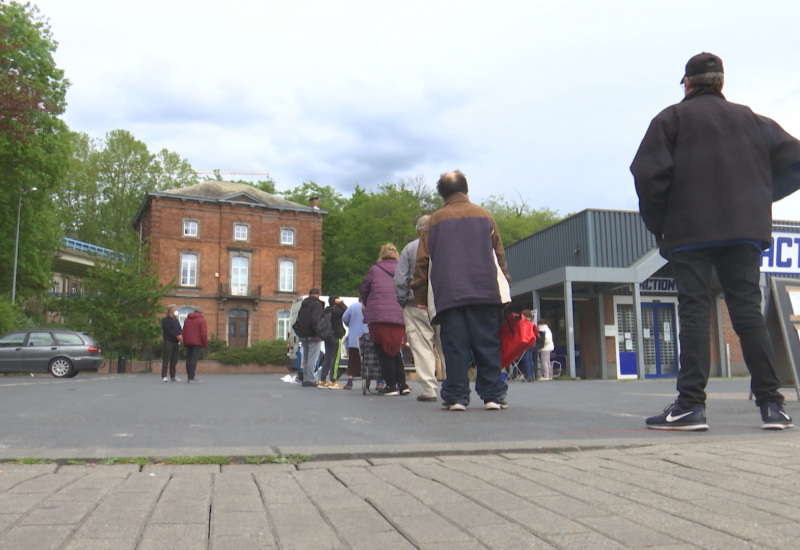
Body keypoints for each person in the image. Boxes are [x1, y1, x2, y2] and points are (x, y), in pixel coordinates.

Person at [631, 52, 800, 431]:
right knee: (747, 313)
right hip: (744, 232)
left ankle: (690, 406)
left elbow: (646, 173)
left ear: (687, 84)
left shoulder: (670, 119)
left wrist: (661, 223)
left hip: (690, 233)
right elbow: (796, 160)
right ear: (721, 82)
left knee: (693, 311)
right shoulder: (753, 120)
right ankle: (773, 406)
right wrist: (760, 197)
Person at [411, 170, 511, 411]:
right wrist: (505, 283)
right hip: (485, 290)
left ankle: (456, 396)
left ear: (442, 194)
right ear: (465, 190)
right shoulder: (484, 215)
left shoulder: (434, 220)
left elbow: (422, 260)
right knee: (487, 342)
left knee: (455, 344)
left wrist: (421, 295)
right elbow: (498, 254)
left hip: (450, 292)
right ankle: (493, 396)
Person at [394, 215, 442, 402]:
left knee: (422, 348)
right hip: (443, 303)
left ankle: (429, 390)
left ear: (417, 230)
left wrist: (403, 298)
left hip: (415, 304)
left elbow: (400, 278)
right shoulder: (446, 245)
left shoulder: (410, 248)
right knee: (446, 345)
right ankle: (458, 387)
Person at [360, 243, 410, 396]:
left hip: (379, 316)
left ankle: (391, 386)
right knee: (395, 350)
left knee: (383, 351)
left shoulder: (375, 269)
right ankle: (403, 384)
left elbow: (364, 289)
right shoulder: (403, 268)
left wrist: (369, 304)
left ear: (381, 254)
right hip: (399, 314)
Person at [293, 289, 325, 388]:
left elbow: (298, 320)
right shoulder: (317, 304)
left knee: (306, 359)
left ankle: (305, 379)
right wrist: (318, 333)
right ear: (318, 295)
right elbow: (315, 320)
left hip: (303, 335)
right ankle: (310, 379)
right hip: (313, 335)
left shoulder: (303, 305)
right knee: (312, 359)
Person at [318, 295, 347, 389]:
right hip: (336, 335)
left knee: (327, 357)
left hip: (327, 336)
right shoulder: (337, 310)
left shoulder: (326, 310)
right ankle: (332, 381)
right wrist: (341, 303)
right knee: (335, 358)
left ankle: (322, 380)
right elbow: (346, 311)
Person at [341, 297, 368, 390]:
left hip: (354, 337)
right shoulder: (371, 306)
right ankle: (379, 383)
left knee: (353, 360)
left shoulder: (353, 306)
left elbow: (345, 317)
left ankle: (349, 381)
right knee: (370, 360)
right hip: (368, 336)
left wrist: (351, 325)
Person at [181, 307, 207, 383]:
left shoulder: (187, 319)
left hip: (188, 342)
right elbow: (203, 333)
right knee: (194, 360)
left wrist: (185, 343)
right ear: (201, 312)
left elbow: (184, 332)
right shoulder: (201, 320)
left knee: (188, 359)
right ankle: (192, 378)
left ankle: (189, 376)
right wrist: (205, 344)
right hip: (197, 342)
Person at [160, 304, 183, 382]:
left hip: (176, 342)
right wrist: (176, 336)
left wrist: (181, 335)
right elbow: (168, 330)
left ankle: (173, 376)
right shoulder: (166, 320)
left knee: (174, 359)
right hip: (168, 341)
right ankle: (164, 376)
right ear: (171, 310)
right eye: (175, 309)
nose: (176, 310)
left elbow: (179, 329)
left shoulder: (176, 320)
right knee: (166, 358)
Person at [518, 310, 536, 382]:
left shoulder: (524, 323)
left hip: (526, 342)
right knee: (530, 359)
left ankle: (528, 376)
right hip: (532, 342)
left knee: (526, 360)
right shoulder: (532, 323)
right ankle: (532, 376)